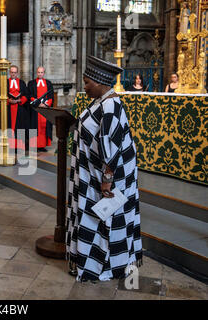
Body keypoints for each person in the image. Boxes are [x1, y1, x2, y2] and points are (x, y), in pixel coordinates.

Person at [66, 55, 142, 281]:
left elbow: (111, 145)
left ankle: (102, 268)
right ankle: (89, 263)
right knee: (94, 220)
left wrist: (107, 180)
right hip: (91, 174)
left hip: (104, 179)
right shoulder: (100, 102)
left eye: (87, 82)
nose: (85, 86)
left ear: (100, 82)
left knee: (102, 220)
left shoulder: (110, 105)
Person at [27, 66, 54, 152]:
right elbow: (30, 95)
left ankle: (42, 145)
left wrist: (45, 104)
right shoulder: (31, 83)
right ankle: (35, 145)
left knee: (44, 127)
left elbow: (51, 96)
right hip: (36, 109)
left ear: (44, 73)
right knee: (35, 126)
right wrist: (38, 104)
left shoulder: (48, 83)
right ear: (36, 73)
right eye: (38, 72)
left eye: (41, 72)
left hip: (45, 109)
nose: (40, 74)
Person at [6, 65, 29, 152]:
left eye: (15, 72)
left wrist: (20, 100)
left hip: (20, 109)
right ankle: (10, 146)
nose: (13, 74)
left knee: (20, 128)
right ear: (9, 72)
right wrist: (9, 100)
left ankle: (19, 146)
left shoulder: (22, 83)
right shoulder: (5, 82)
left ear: (17, 73)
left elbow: (26, 95)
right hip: (9, 109)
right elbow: (1, 95)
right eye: (12, 72)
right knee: (9, 127)